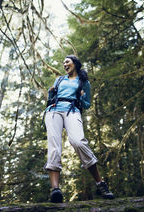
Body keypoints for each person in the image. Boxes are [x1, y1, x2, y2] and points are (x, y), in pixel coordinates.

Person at [44, 55, 114, 203]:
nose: (64, 64)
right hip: (54, 110)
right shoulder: (60, 79)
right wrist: (51, 92)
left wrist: (81, 97)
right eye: (63, 63)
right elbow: (52, 96)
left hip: (72, 110)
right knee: (54, 147)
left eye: (67, 62)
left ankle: (100, 184)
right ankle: (55, 190)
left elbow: (87, 104)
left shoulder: (83, 82)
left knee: (78, 142)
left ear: (75, 63)